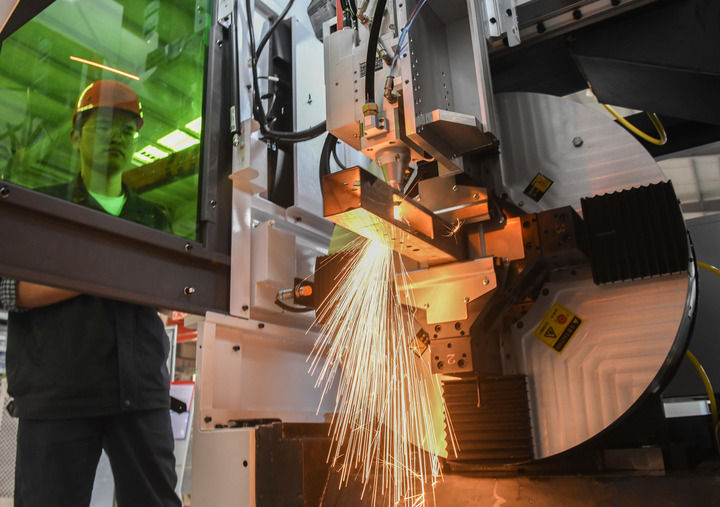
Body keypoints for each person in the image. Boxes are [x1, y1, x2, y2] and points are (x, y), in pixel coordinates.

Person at [0, 80, 181, 506]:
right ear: (75, 136)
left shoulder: (152, 219)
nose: (116, 137)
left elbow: (170, 294)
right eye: (102, 127)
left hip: (140, 391)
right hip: (58, 392)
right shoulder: (42, 210)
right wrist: (108, 272)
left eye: (126, 130)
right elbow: (8, 290)